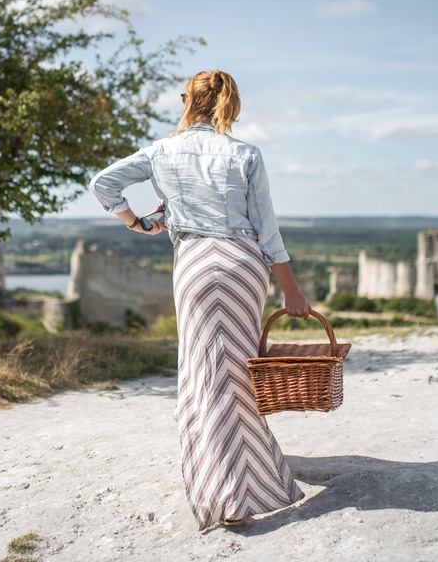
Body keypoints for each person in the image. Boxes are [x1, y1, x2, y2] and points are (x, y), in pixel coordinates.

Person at [88, 69, 309, 531]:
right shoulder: (246, 153)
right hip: (244, 266)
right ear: (231, 103)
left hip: (194, 265)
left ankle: (220, 484)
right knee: (241, 369)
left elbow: (103, 184)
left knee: (203, 369)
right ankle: (252, 478)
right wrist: (291, 288)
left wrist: (135, 221)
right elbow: (267, 229)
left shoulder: (162, 151)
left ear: (187, 99)